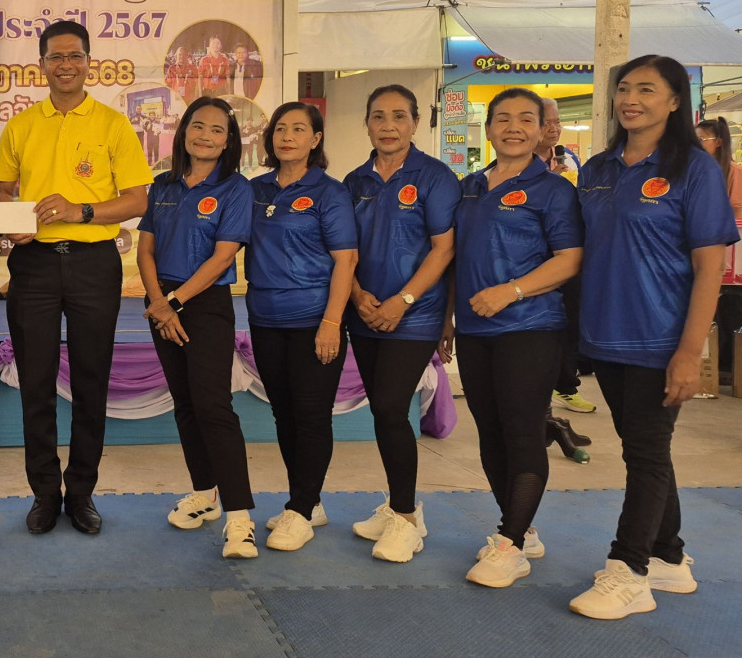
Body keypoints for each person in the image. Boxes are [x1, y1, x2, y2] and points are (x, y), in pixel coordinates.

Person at [568, 55, 738, 620]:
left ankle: (629, 570)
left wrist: (690, 352)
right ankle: (668, 556)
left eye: (646, 89)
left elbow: (710, 268)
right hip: (603, 333)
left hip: (659, 337)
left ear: (674, 101)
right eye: (623, 88)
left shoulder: (694, 169)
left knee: (644, 452)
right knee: (644, 448)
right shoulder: (597, 168)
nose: (630, 99)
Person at [0, 19, 152, 535]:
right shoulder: (21, 125)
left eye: (75, 56)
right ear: (41, 64)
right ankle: (44, 493)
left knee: (91, 381)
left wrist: (80, 211)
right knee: (35, 384)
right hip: (34, 264)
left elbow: (137, 200)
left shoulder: (113, 124)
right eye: (56, 57)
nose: (66, 65)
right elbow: (2, 191)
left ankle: (81, 492)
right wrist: (13, 222)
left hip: (93, 263)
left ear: (88, 62)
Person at [451, 88, 584, 588]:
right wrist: (446, 318)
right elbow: (455, 256)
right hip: (474, 329)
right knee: (490, 433)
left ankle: (508, 544)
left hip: (530, 327)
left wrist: (512, 291)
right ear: (487, 129)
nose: (513, 127)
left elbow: (569, 259)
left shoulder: (554, 190)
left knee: (523, 431)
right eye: (502, 118)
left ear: (542, 129)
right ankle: (520, 528)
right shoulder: (468, 187)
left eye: (525, 119)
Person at [343, 84, 460, 563]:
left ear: (415, 122)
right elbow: (342, 250)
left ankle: (407, 518)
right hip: (364, 313)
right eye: (378, 116)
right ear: (367, 124)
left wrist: (403, 301)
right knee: (381, 411)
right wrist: (358, 296)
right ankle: (396, 505)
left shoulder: (436, 177)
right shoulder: (354, 181)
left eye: (398, 116)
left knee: (392, 408)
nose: (388, 125)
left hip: (415, 316)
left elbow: (444, 249)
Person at [137, 98, 256, 558]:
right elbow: (146, 250)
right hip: (161, 302)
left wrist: (174, 303)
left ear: (229, 141)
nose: (206, 136)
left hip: (204, 304)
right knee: (185, 404)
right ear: (184, 131)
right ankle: (205, 494)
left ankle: (240, 519)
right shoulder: (162, 185)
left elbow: (223, 257)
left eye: (217, 130)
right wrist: (159, 302)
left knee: (213, 406)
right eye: (198, 126)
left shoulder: (235, 188)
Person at [246, 102, 357, 553]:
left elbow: (346, 260)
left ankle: (301, 508)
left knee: (311, 416)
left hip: (314, 320)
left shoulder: (330, 192)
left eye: (298, 129)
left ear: (315, 139)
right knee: (284, 413)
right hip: (264, 318)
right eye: (280, 129)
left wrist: (331, 322)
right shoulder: (255, 190)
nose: (287, 136)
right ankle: (308, 502)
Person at [538, 97, 596, 413]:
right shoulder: (517, 163)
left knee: (571, 318)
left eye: (557, 121)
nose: (554, 128)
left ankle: (566, 385)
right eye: (546, 122)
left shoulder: (570, 160)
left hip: (570, 251)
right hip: (536, 257)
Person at [698, 116, 742, 383]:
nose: (696, 144)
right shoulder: (695, 170)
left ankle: (734, 367)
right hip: (700, 248)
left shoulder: (734, 172)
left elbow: (740, 218)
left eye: (701, 139)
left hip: (729, 252)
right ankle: (710, 366)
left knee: (731, 307)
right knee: (706, 307)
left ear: (718, 142)